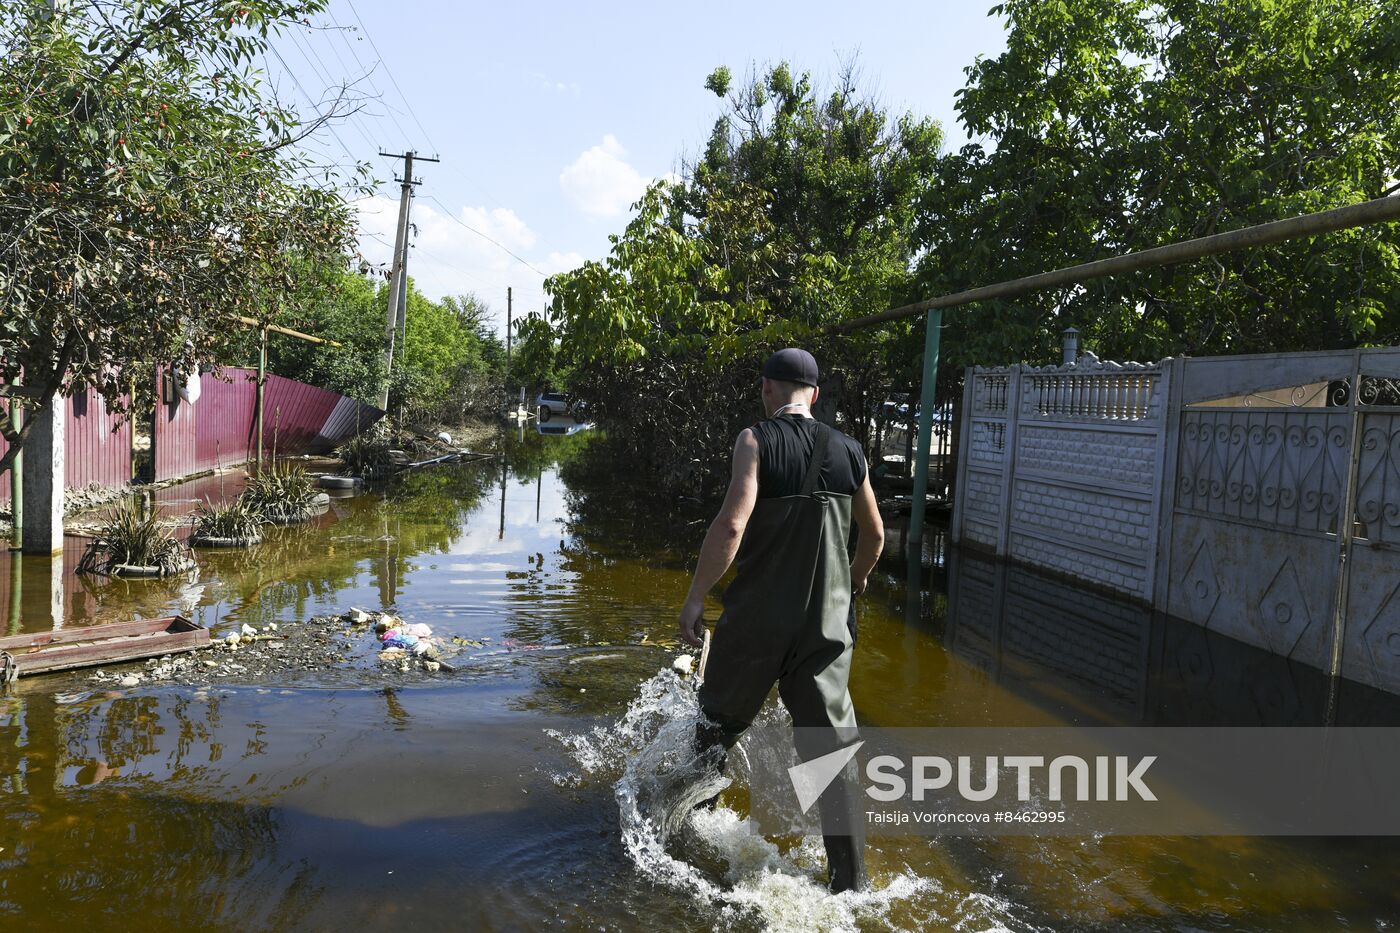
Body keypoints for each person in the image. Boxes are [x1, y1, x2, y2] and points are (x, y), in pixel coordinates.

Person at [677, 347, 884, 893]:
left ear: (767, 389)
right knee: (832, 752)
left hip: (757, 623)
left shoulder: (754, 440)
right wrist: (854, 582)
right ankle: (851, 885)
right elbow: (877, 534)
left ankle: (699, 845)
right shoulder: (850, 451)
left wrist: (696, 597)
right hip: (826, 631)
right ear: (815, 395)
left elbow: (731, 525)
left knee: (714, 728)